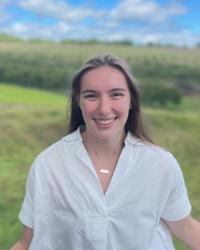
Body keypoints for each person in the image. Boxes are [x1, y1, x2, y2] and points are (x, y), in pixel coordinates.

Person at [11, 54, 200, 250]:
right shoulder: (48, 165)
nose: (104, 108)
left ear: (131, 100)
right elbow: (27, 242)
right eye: (91, 95)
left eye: (116, 94)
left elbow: (186, 228)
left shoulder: (161, 164)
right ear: (78, 101)